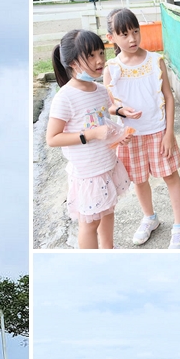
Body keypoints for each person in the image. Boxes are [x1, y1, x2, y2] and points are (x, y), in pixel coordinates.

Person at [104, 7, 180, 249]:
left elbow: (168, 98)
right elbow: (108, 106)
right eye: (124, 34)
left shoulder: (155, 61)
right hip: (130, 137)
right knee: (139, 181)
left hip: (159, 131)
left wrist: (169, 133)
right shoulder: (111, 68)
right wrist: (120, 111)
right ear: (112, 38)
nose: (132, 39)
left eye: (135, 32)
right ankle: (150, 218)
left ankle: (179, 226)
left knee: (170, 176)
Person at [46, 29, 132, 249]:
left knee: (108, 211)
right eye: (91, 56)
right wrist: (91, 135)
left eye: (101, 53)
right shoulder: (65, 97)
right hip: (87, 173)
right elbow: (53, 138)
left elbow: (103, 121)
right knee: (90, 223)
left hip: (106, 164)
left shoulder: (101, 90)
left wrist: (118, 136)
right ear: (73, 63)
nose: (100, 60)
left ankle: (108, 250)